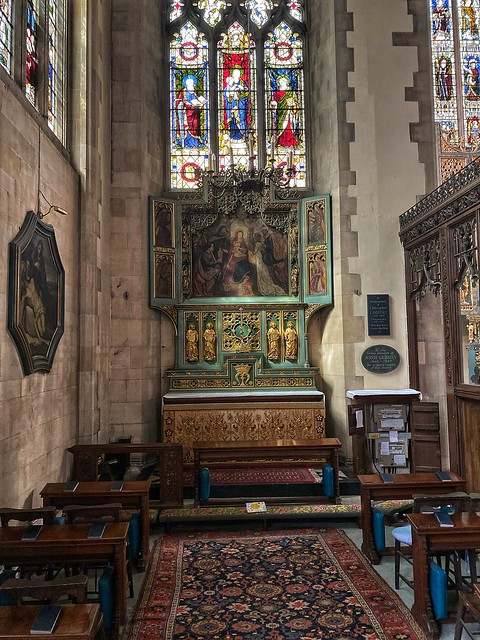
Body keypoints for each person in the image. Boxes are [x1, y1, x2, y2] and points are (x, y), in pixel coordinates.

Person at [174, 74, 207, 148]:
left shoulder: (195, 91)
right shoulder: (183, 91)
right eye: (189, 82)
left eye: (192, 82)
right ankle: (186, 143)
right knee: (188, 126)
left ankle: (196, 142)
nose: (190, 84)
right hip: (187, 112)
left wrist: (201, 102)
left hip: (195, 112)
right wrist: (185, 103)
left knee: (195, 126)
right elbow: (178, 101)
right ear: (186, 83)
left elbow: (200, 98)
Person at [270, 74, 300, 148]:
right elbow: (272, 102)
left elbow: (296, 104)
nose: (282, 83)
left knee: (289, 126)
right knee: (280, 127)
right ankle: (280, 141)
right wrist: (274, 104)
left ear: (286, 82)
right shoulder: (276, 93)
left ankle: (290, 143)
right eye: (280, 81)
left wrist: (293, 104)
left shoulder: (291, 92)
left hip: (289, 112)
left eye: (283, 81)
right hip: (280, 112)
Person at [223, 66, 249, 141]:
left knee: (241, 118)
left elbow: (247, 93)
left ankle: (243, 134)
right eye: (235, 73)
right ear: (232, 74)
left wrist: (241, 92)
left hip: (240, 103)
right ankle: (232, 134)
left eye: (238, 73)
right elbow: (225, 93)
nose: (236, 74)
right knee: (233, 119)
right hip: (232, 104)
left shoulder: (242, 82)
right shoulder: (230, 82)